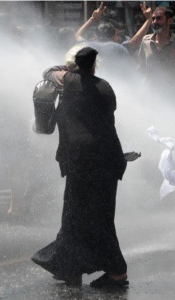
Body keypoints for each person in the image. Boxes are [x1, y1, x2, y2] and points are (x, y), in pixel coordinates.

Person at [31, 47, 141, 288]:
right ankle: (72, 270)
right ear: (94, 65)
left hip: (83, 162)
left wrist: (66, 69)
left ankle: (116, 273)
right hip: (107, 161)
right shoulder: (105, 87)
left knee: (79, 218)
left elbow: (49, 72)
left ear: (74, 66)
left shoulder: (67, 82)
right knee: (90, 218)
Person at [136, 6, 175, 106]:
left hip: (174, 99)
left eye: (159, 18)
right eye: (153, 19)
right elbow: (140, 68)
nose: (154, 22)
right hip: (150, 98)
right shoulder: (146, 41)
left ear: (169, 21)